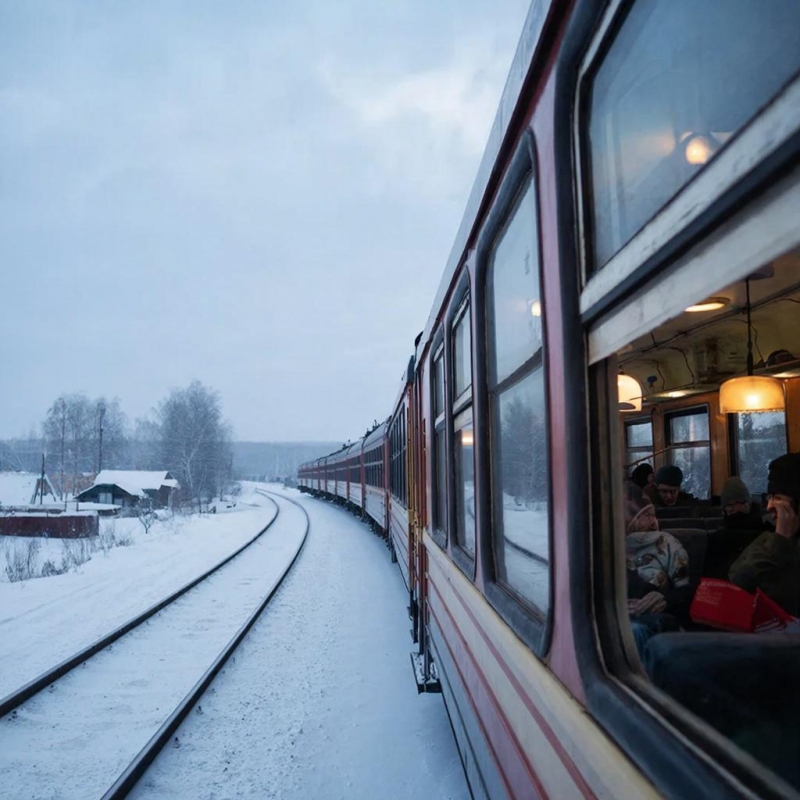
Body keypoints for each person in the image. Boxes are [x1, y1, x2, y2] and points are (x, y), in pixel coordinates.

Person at [624, 484, 693, 654]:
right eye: (645, 516)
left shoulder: (667, 543)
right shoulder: (611, 549)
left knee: (634, 631)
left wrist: (664, 599)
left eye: (653, 515)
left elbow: (686, 589)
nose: (653, 521)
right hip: (621, 614)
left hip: (656, 615)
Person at [729, 453, 800, 615]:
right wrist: (781, 540)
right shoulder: (768, 539)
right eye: (769, 498)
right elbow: (739, 584)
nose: (769, 506)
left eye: (778, 499)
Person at [704, 476, 764, 579]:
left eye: (732, 505)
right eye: (727, 506)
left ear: (746, 505)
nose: (729, 510)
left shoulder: (720, 537)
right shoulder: (767, 531)